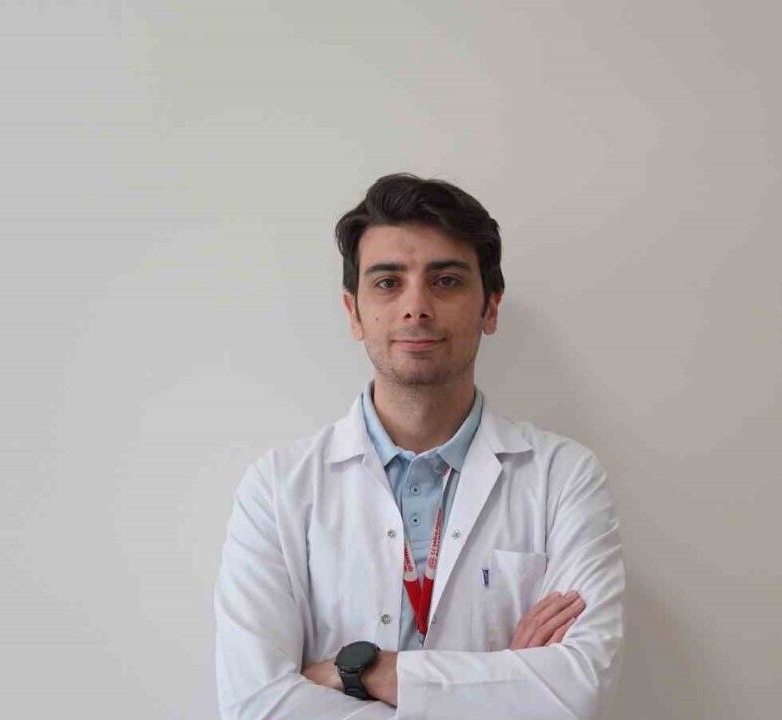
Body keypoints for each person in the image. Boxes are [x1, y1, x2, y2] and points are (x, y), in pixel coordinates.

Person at [213, 173, 626, 720]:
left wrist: (361, 671)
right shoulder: (277, 487)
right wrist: (505, 680)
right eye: (388, 282)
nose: (416, 307)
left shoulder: (563, 476)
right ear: (353, 313)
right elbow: (255, 705)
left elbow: (579, 689)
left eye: (446, 280)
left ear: (491, 307)